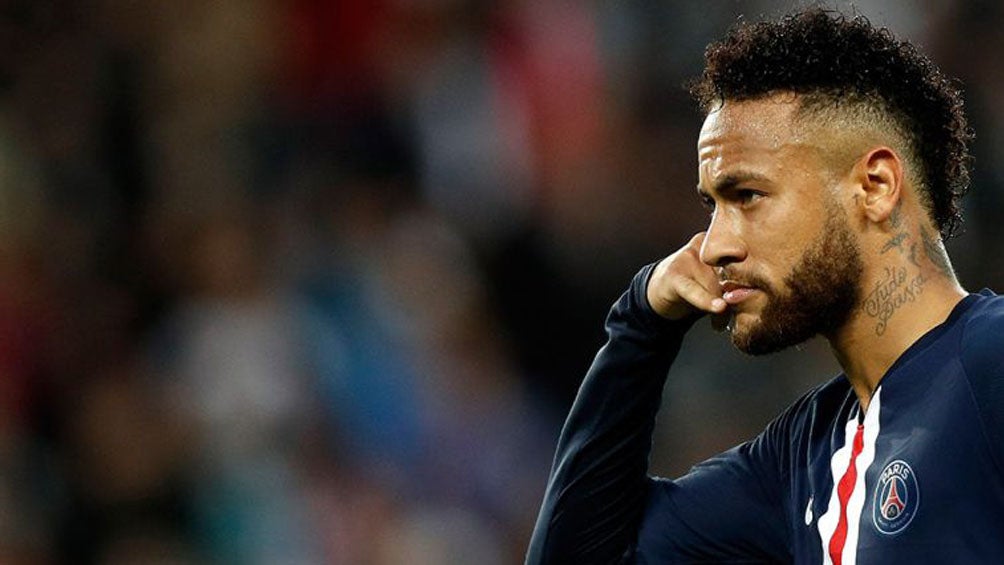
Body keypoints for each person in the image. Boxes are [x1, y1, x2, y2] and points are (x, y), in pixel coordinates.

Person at [526, 8, 1004, 564]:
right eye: (713, 205)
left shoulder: (991, 358)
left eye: (747, 196)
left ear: (874, 186)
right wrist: (641, 322)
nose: (713, 246)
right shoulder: (798, 462)